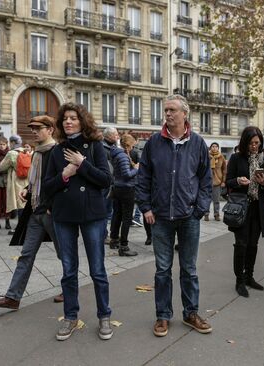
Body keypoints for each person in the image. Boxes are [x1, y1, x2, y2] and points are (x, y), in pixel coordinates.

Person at [136, 94, 213, 337]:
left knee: (189, 269)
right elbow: (143, 178)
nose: (168, 114)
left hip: (189, 216)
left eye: (172, 110)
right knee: (162, 270)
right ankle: (163, 316)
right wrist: (146, 208)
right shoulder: (154, 143)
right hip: (160, 218)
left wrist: (200, 209)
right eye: (166, 110)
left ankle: (191, 313)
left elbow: (205, 180)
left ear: (184, 114)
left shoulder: (198, 143)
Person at [44, 102, 113, 341]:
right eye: (65, 119)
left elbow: (106, 179)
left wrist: (82, 164)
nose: (68, 122)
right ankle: (70, 317)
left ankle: (104, 315)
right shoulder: (56, 150)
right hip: (64, 216)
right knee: (68, 270)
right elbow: (47, 187)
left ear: (82, 121)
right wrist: (65, 174)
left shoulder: (94, 146)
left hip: (92, 215)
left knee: (98, 270)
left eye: (73, 118)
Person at [0, 115, 63, 310]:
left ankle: (70, 288)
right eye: (33, 128)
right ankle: (13, 297)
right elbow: (36, 179)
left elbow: (63, 182)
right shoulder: (37, 152)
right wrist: (28, 190)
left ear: (50, 130)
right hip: (35, 211)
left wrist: (51, 205)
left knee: (64, 254)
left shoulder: (56, 152)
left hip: (51, 213)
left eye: (39, 128)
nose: (34, 131)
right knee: (26, 255)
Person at [225, 127, 264, 297]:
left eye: (257, 143)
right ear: (245, 142)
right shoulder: (236, 158)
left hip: (258, 208)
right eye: (251, 143)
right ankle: (239, 280)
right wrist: (237, 181)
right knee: (241, 244)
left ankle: (249, 276)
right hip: (241, 207)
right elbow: (228, 181)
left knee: (253, 245)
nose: (254, 146)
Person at [109, 133, 139, 257]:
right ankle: (124, 246)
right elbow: (127, 174)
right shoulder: (123, 156)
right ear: (128, 144)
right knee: (126, 218)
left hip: (117, 188)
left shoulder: (117, 154)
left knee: (117, 215)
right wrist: (137, 169)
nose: (133, 148)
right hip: (126, 189)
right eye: (132, 145)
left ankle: (114, 239)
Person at [0, 134, 28, 233]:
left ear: (13, 143)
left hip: (16, 180)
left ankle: (21, 227)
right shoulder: (26, 151)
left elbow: (2, 167)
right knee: (25, 204)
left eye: (10, 142)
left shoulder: (11, 153)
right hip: (26, 181)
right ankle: (25, 226)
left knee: (19, 205)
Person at [102, 126, 119, 246]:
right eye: (115, 135)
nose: (117, 137)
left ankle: (105, 234)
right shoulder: (103, 149)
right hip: (106, 184)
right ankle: (103, 235)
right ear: (108, 136)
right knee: (105, 211)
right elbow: (109, 169)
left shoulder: (112, 147)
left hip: (111, 183)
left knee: (109, 211)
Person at [206, 142, 227, 221]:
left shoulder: (221, 157)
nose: (214, 148)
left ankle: (216, 215)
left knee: (216, 200)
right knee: (207, 199)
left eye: (216, 146)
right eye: (213, 146)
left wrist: (223, 181)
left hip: (218, 181)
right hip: (207, 181)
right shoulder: (207, 156)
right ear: (210, 148)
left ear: (218, 148)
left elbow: (224, 170)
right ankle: (206, 214)